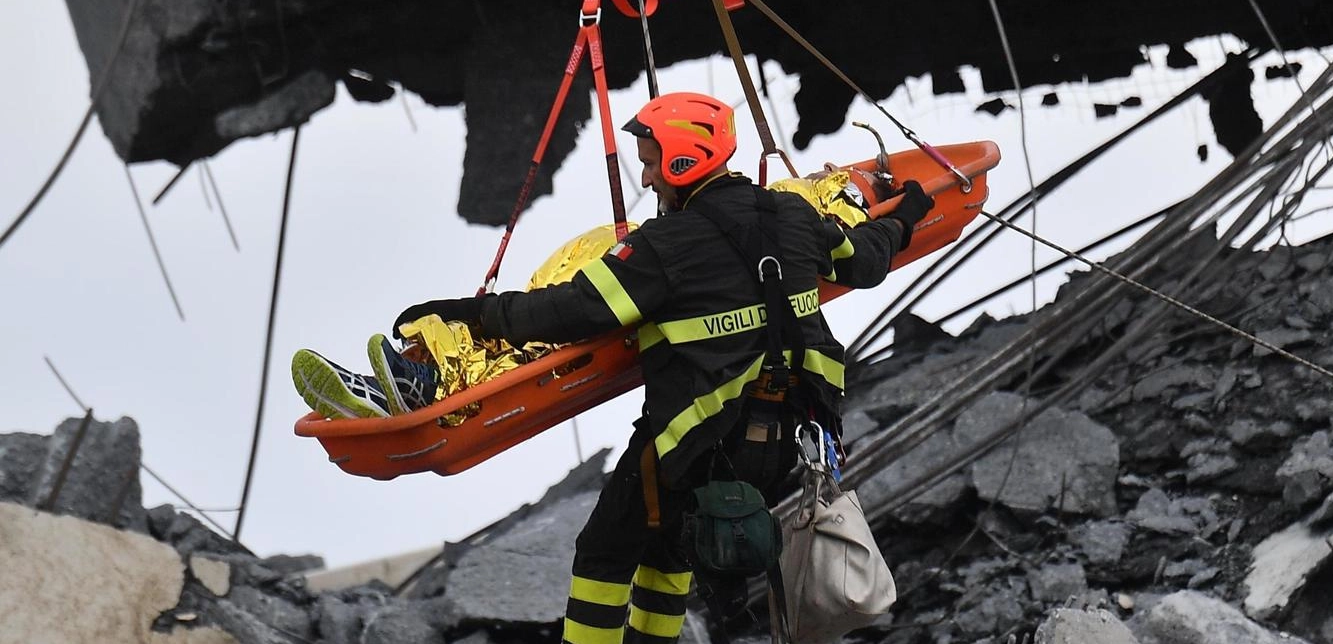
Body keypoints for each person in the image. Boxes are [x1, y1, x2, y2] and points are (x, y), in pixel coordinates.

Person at [299, 91, 934, 644]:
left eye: (653, 161)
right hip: (793, 436)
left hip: (698, 436)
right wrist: (906, 211)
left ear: (685, 161)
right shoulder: (793, 215)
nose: (648, 176)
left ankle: (425, 377)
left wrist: (473, 313)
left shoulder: (667, 246)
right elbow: (865, 262)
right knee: (667, 553)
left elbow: (574, 311)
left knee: (603, 555)